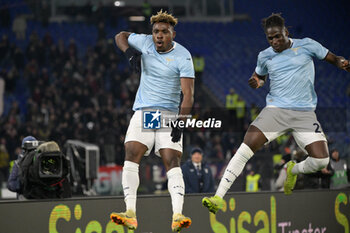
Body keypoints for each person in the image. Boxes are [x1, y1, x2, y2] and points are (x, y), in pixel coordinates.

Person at [202, 13, 350, 214]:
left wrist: (342, 63)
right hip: (275, 111)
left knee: (321, 161)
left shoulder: (306, 45)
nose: (274, 41)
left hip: (304, 114)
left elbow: (333, 58)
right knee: (245, 146)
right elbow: (260, 76)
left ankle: (292, 169)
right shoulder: (265, 55)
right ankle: (218, 198)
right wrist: (257, 82)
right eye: (270, 38)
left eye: (278, 36)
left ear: (286, 32)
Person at [109, 10, 195, 232]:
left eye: (164, 32)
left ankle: (177, 215)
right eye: (156, 31)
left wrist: (181, 121)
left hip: (167, 113)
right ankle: (130, 213)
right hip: (146, 111)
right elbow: (120, 35)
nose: (158, 35)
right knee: (131, 152)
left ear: (172, 34)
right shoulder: (145, 42)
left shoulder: (183, 56)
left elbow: (188, 94)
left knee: (171, 159)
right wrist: (129, 52)